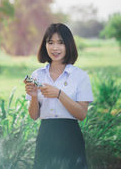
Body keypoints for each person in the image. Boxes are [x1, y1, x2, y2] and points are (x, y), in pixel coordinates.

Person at [24, 23, 93, 169]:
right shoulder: (38, 75)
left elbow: (82, 114)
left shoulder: (80, 76)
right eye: (50, 42)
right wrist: (34, 96)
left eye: (60, 43)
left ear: (68, 45)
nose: (55, 48)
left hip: (70, 137)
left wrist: (59, 94)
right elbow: (33, 115)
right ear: (45, 45)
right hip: (46, 136)